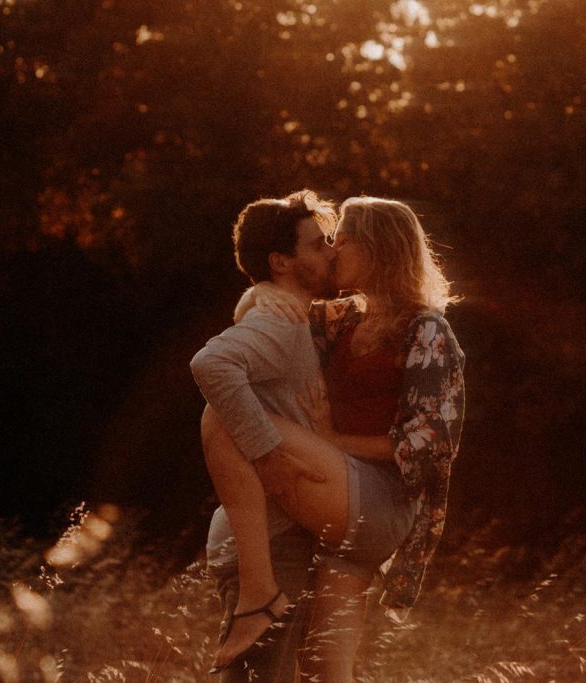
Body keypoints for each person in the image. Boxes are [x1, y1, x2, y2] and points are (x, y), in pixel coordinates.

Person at [197, 196, 465, 680]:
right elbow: (279, 303)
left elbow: (429, 444)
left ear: (377, 250)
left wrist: (333, 438)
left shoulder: (427, 329)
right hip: (338, 497)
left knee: (221, 419)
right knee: (324, 670)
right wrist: (258, 294)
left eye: (341, 241)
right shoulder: (343, 319)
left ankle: (258, 593)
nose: (333, 250)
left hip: (377, 500)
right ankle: (260, 594)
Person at [191, 189, 340, 682]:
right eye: (318, 244)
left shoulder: (286, 313)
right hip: (271, 544)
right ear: (282, 262)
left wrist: (255, 292)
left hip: (276, 537)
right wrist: (269, 453)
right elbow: (211, 362)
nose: (331, 252)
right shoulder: (278, 322)